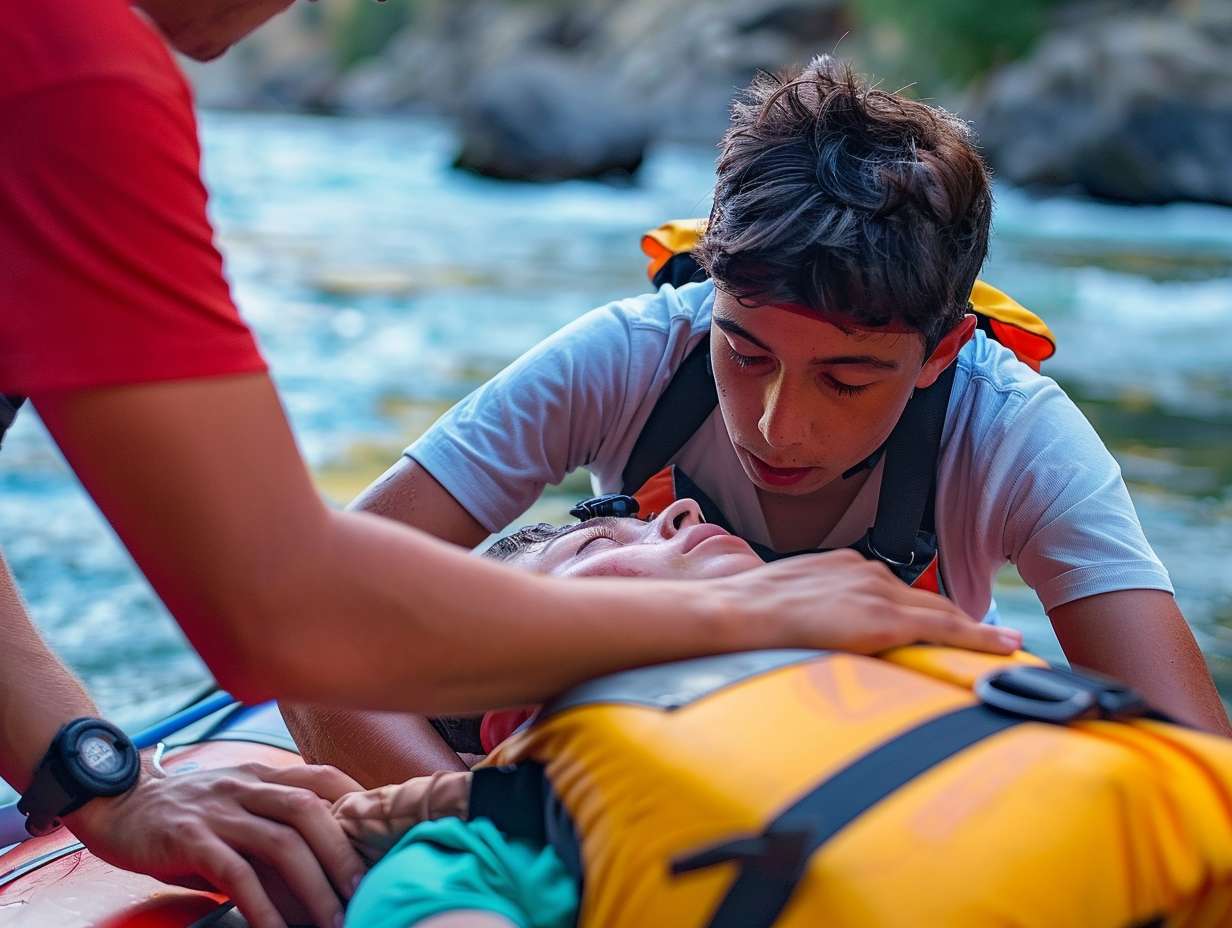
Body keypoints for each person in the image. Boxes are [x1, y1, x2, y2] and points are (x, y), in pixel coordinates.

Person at [0, 3, 1007, 925]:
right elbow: (290, 612)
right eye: (601, 532)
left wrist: (89, 775)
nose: (682, 515)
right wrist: (761, 611)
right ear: (506, 719)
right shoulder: (65, 64)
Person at [284, 57, 1229, 783]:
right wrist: (492, 838)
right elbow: (306, 620)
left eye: (849, 380)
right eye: (745, 353)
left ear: (941, 353)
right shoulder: (630, 356)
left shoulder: (1013, 434)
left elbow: (1194, 771)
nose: (778, 427)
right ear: (711, 295)